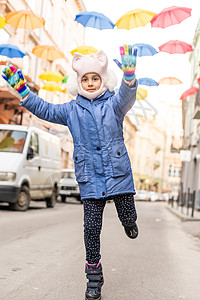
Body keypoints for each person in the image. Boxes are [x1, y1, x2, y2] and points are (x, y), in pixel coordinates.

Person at [2, 44, 139, 300]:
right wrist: (23, 91)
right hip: (90, 178)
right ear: (78, 82)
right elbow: (45, 109)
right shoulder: (71, 110)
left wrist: (129, 78)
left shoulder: (114, 105)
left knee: (127, 211)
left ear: (103, 79)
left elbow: (127, 96)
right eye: (85, 79)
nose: (89, 83)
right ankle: (94, 277)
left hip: (117, 174)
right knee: (90, 229)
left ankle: (129, 221)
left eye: (94, 78)